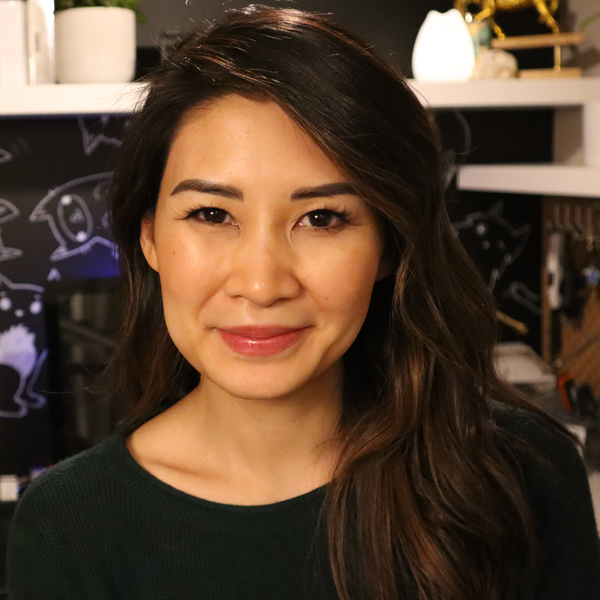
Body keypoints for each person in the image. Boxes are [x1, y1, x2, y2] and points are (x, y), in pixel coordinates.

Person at [7, 5, 600, 600]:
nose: (262, 285)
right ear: (150, 237)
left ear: (389, 247)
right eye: (212, 214)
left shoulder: (523, 474)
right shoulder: (69, 526)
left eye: (322, 218)